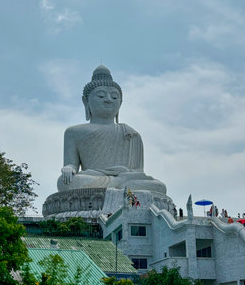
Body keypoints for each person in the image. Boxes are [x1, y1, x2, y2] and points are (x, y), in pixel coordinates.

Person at [58, 65, 167, 195]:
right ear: (85, 101)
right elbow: (71, 165)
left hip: (128, 180)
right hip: (93, 178)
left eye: (114, 97)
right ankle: (119, 186)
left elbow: (137, 172)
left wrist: (124, 178)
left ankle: (119, 185)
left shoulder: (131, 134)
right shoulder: (74, 132)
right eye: (101, 96)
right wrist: (68, 168)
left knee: (159, 186)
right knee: (65, 182)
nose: (109, 100)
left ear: (120, 103)